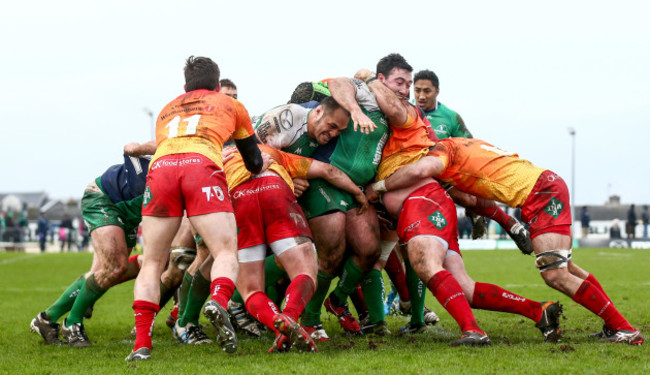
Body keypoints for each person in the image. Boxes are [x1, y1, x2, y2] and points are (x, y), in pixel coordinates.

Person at [367, 137, 644, 345]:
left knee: (555, 274)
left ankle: (624, 328)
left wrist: (380, 186)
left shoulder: (443, 151)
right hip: (545, 186)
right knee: (566, 269)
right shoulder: (468, 146)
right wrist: (497, 220)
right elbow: (473, 197)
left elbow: (423, 170)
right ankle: (614, 325)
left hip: (540, 193)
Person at [127, 56, 267, 362]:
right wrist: (260, 164)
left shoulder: (167, 108)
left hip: (162, 168)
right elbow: (253, 160)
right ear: (217, 86)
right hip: (200, 166)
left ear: (185, 87)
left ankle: (141, 345)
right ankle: (218, 300)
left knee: (151, 261)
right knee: (226, 251)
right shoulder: (231, 104)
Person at [30, 141, 155, 347]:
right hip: (104, 198)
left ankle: (46, 319)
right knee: (114, 268)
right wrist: (159, 147)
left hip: (129, 213)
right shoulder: (170, 149)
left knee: (104, 272)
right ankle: (72, 324)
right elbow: (129, 148)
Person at [413, 69, 472, 139]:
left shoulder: (451, 116)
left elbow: (469, 144)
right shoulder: (403, 111)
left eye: (427, 91)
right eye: (417, 91)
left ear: (437, 91)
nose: (421, 96)